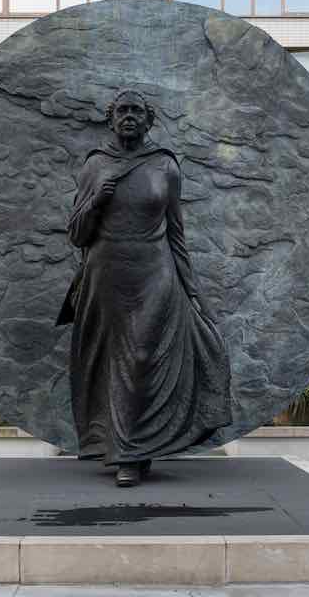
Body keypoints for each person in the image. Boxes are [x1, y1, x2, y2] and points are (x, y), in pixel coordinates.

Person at [58, 89, 232, 487]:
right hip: (107, 276)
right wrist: (95, 201)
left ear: (149, 120)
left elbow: (176, 234)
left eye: (137, 110)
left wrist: (194, 292)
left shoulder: (164, 165)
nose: (129, 116)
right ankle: (128, 453)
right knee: (112, 364)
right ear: (111, 119)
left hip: (155, 274)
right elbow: (76, 235)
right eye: (122, 110)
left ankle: (136, 450)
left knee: (141, 359)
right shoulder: (95, 165)